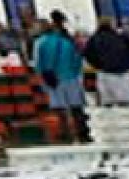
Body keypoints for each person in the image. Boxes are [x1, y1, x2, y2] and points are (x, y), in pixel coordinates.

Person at [34, 12, 90, 141]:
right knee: (76, 107)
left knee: (59, 108)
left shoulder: (41, 42)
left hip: (53, 79)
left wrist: (43, 79)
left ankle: (65, 134)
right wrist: (76, 73)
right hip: (71, 77)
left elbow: (39, 64)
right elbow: (77, 60)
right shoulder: (68, 40)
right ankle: (83, 133)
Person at [85, 16, 129, 106]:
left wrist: (98, 65)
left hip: (105, 74)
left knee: (108, 105)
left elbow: (87, 54)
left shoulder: (94, 39)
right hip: (123, 74)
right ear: (111, 24)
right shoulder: (121, 37)